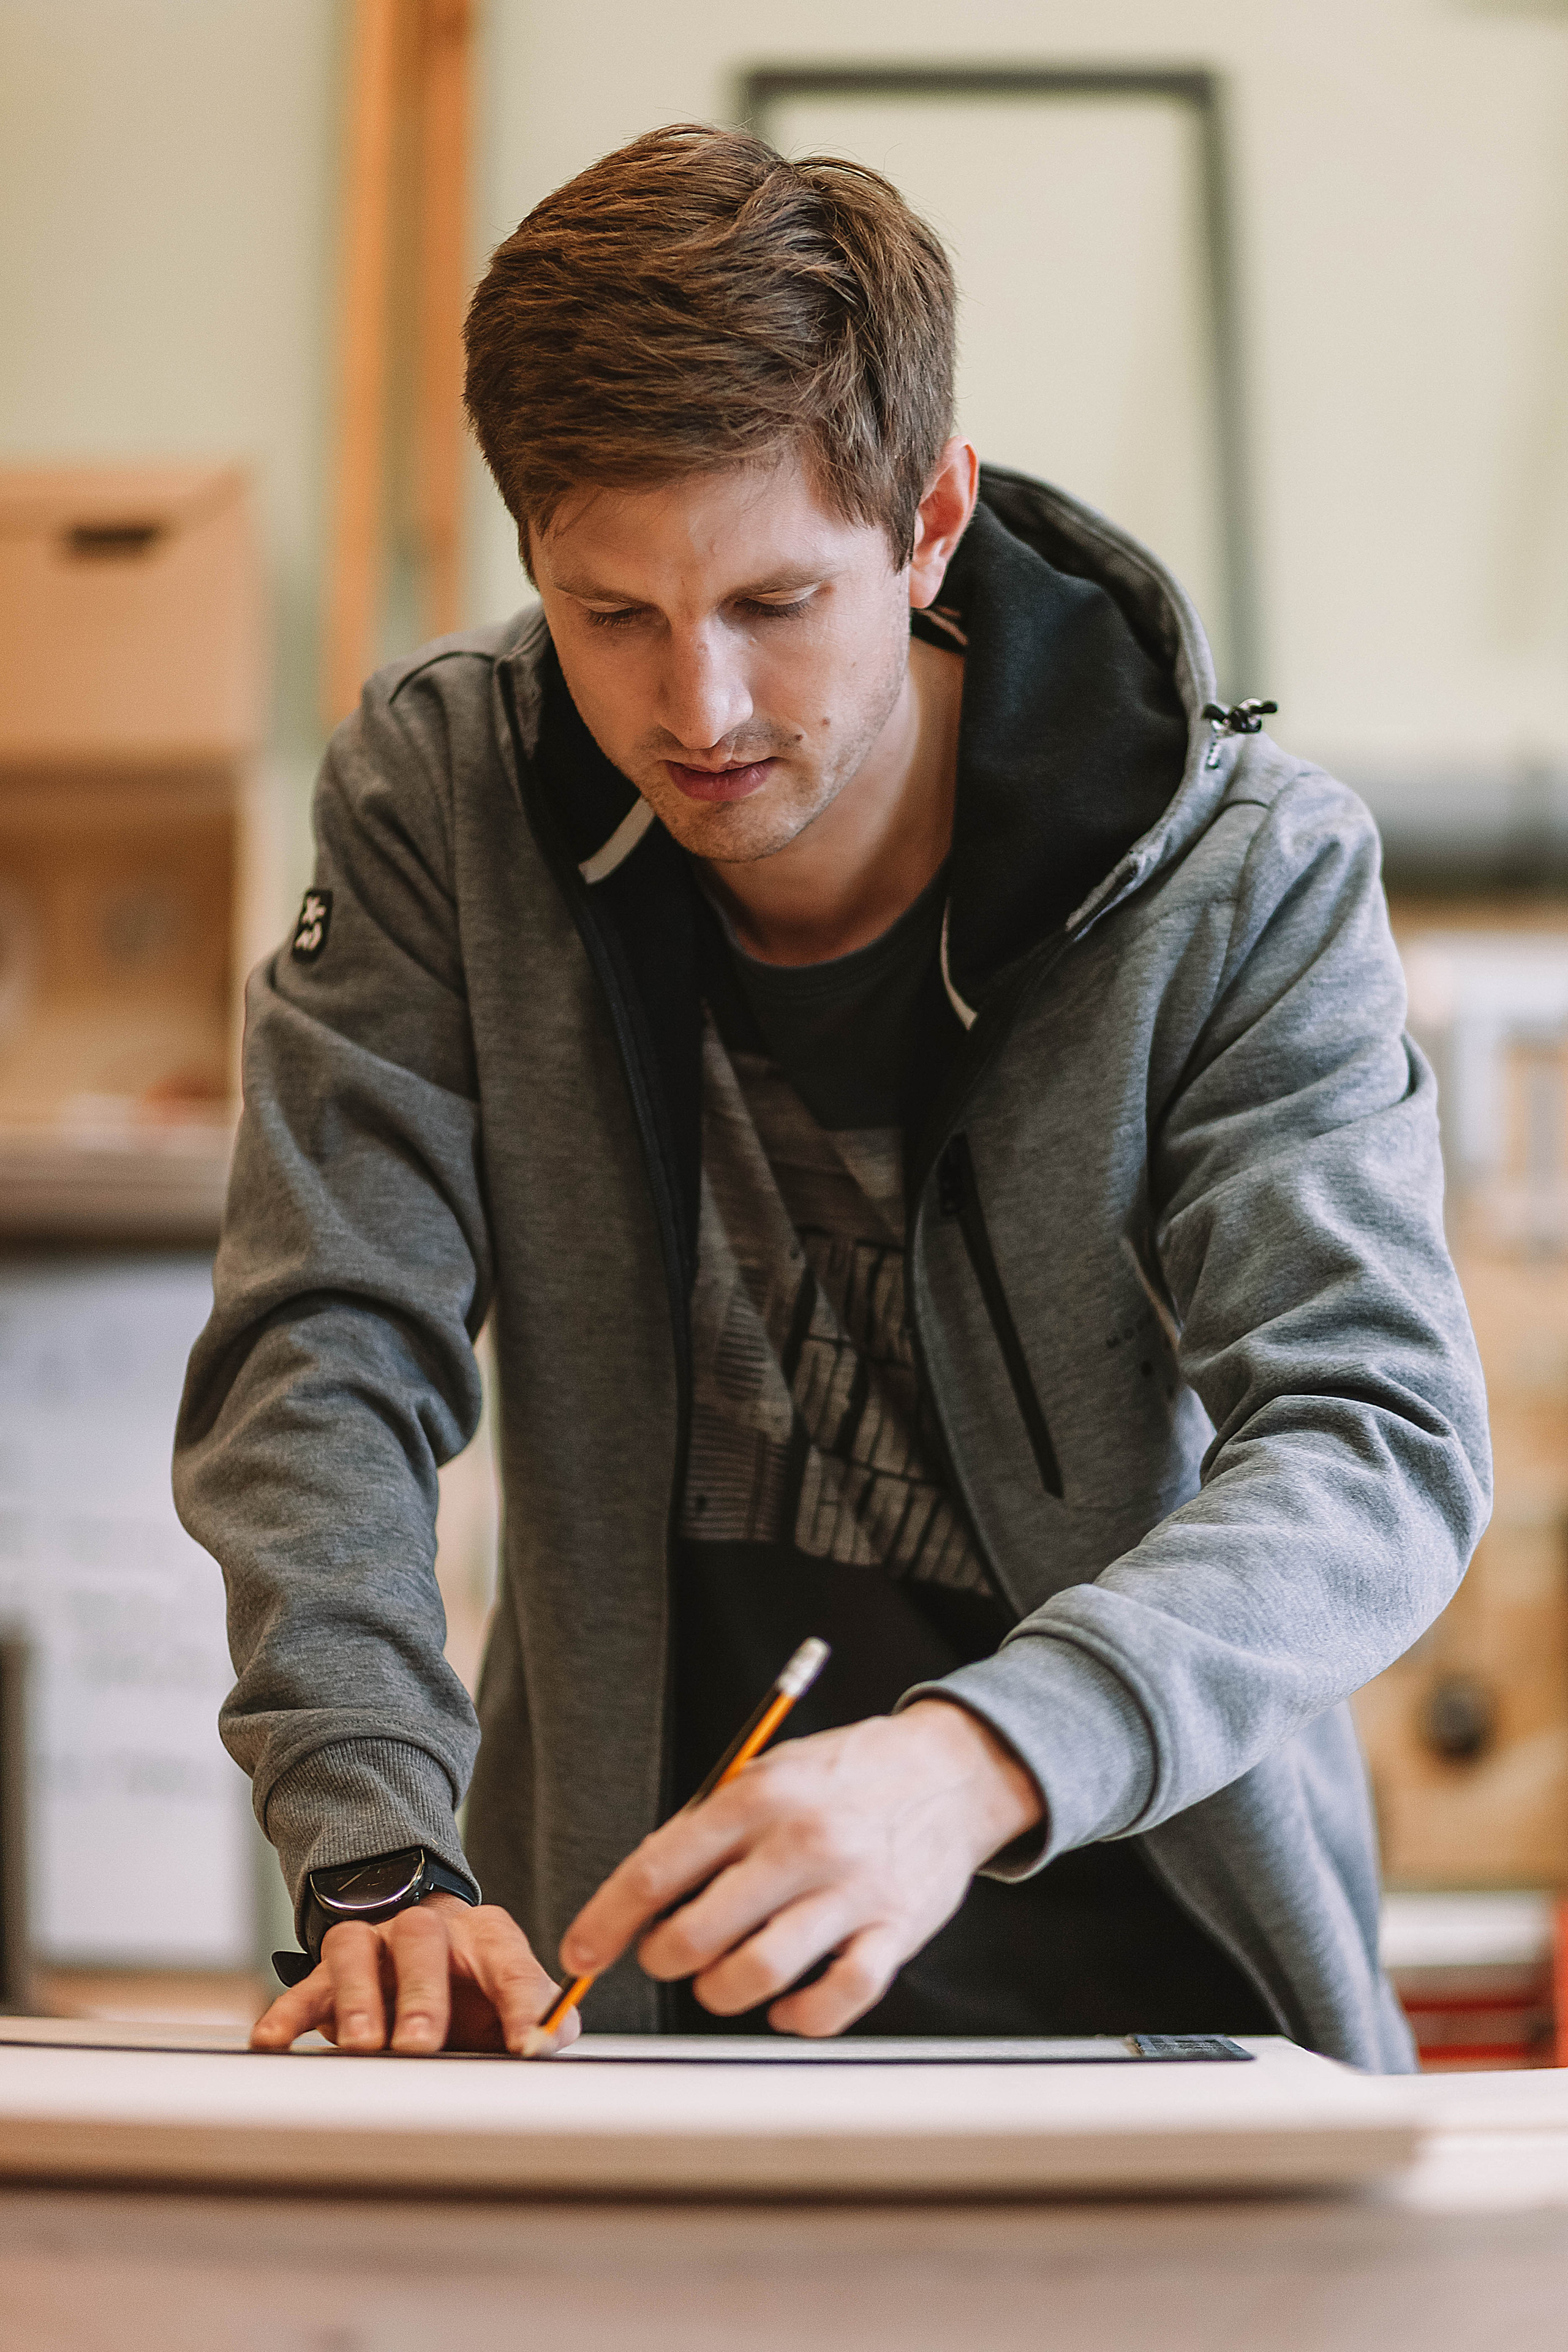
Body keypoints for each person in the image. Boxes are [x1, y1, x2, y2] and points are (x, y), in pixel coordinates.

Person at [173, 124, 1490, 2069]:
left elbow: (1377, 1436)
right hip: (623, 2029)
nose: (697, 710)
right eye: (613, 616)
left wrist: (973, 1758)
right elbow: (323, 1347)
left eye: (775, 603)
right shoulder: (442, 808)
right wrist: (374, 1845)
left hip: (1168, 2029)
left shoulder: (1245, 879)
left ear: (932, 518)